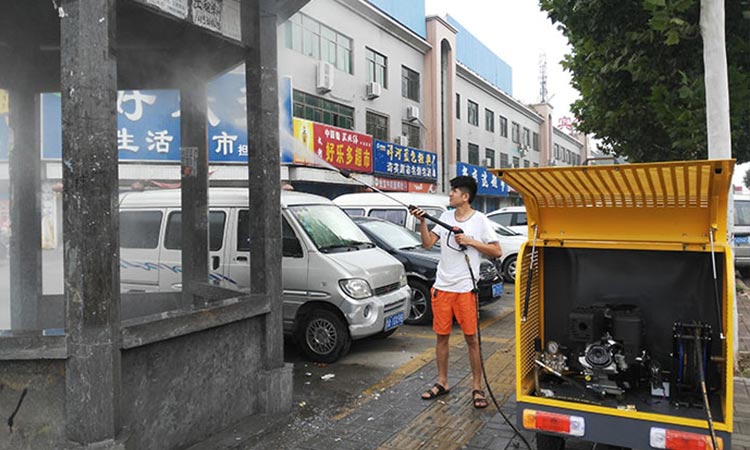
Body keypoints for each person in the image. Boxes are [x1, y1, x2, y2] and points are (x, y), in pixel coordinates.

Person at [409, 176, 502, 409]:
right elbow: (429, 244)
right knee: (442, 337)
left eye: (453, 191)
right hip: (442, 287)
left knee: (472, 338)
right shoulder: (445, 217)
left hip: (465, 289)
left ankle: (477, 386)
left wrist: (470, 241)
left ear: (465, 196)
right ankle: (442, 382)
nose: (449, 194)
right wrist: (422, 222)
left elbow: (497, 251)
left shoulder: (480, 220)